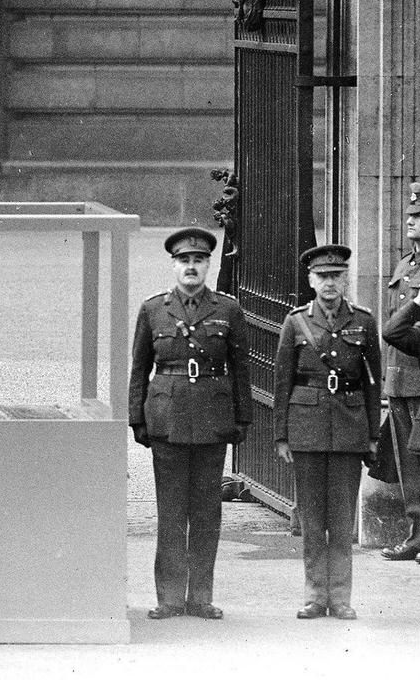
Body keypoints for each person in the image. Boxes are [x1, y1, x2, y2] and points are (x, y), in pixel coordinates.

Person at [128, 226, 251, 620]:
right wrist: (137, 418)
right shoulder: (153, 309)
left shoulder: (228, 309)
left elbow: (241, 369)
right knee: (170, 513)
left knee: (205, 513)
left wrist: (242, 418)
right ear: (174, 266)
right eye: (185, 261)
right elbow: (139, 369)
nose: (192, 267)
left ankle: (199, 598)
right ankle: (168, 599)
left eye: (198, 260)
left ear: (208, 265)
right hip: (167, 418)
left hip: (213, 419)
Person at [273, 244, 380, 620]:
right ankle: (315, 595)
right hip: (306, 427)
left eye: (336, 276)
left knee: (341, 517)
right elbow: (282, 380)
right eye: (322, 277)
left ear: (345, 278)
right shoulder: (296, 321)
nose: (329, 283)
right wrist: (281, 435)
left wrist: (372, 435)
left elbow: (371, 384)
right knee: (313, 519)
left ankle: (341, 597)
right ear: (310, 280)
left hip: (350, 428)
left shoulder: (364, 321)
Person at [377, 182, 420, 561]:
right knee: (410, 467)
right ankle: (416, 535)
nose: (411, 221)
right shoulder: (405, 265)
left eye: (419, 216)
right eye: (409, 215)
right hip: (399, 377)